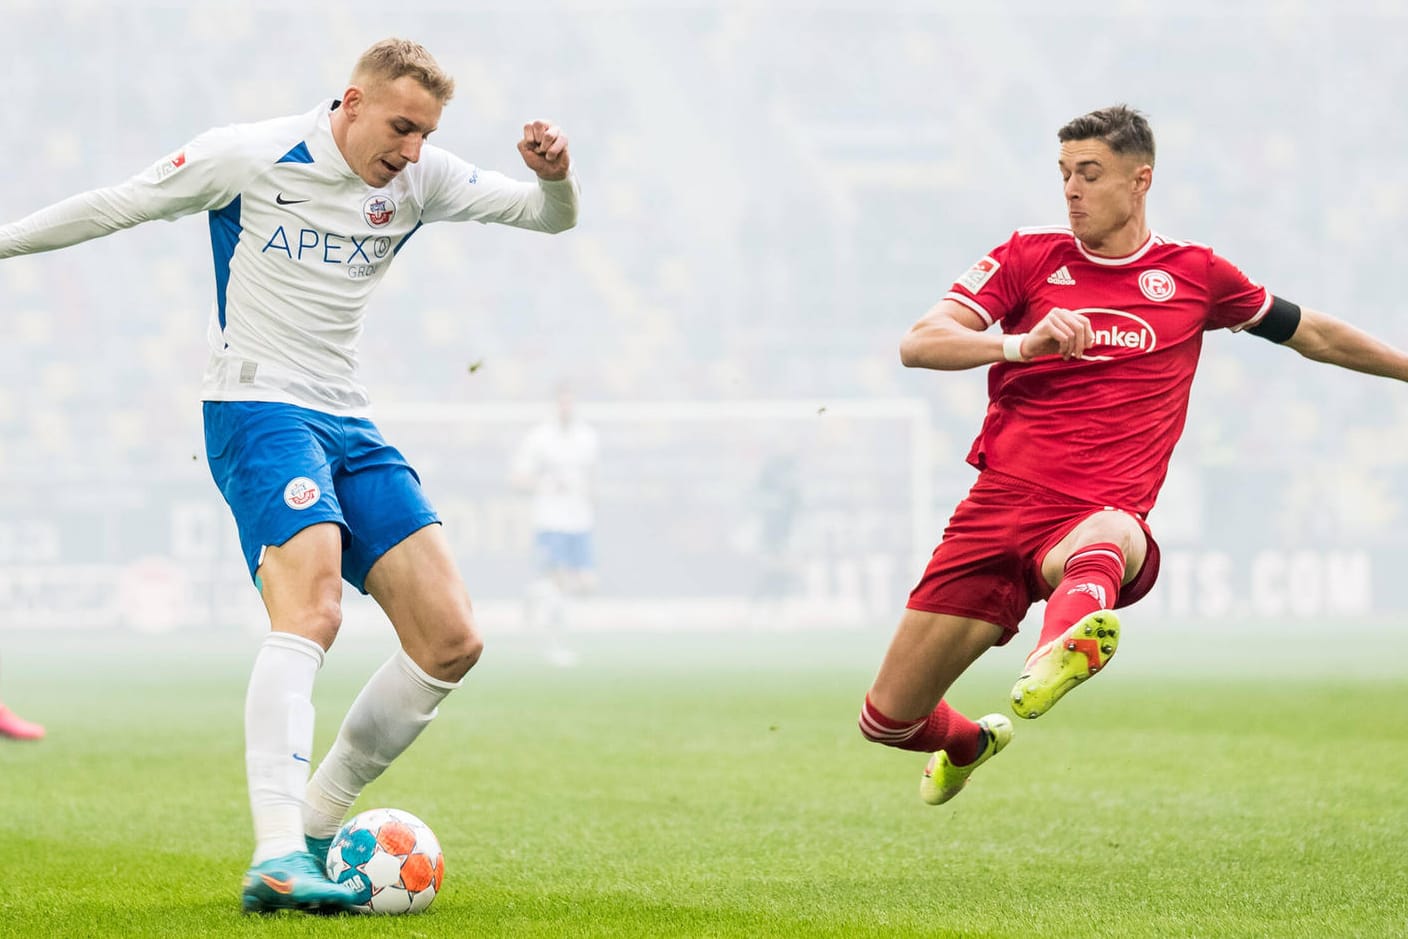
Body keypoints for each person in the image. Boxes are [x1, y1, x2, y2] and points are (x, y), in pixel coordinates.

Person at [0, 38, 578, 912]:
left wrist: (555, 175)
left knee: (452, 638)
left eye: (426, 134)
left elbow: (551, 219)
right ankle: (276, 853)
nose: (413, 151)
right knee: (312, 609)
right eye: (401, 128)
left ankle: (314, 825)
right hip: (255, 405)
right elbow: (117, 204)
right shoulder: (253, 154)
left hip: (347, 416)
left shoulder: (420, 178)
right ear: (350, 103)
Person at [858, 104, 1408, 807]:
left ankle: (1056, 652)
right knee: (889, 716)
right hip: (996, 509)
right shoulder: (1029, 255)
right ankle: (972, 743)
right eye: (1063, 174)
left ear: (1140, 180)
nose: (1071, 190)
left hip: (1093, 519)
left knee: (1114, 530)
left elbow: (1314, 334)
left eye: (1089, 173)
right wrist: (1020, 343)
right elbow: (919, 342)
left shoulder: (1196, 274)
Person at [511, 384, 599, 666]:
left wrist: (588, 494)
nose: (566, 408)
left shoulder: (587, 437)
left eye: (570, 402)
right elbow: (518, 478)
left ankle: (534, 594)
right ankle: (555, 645)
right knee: (559, 583)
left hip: (580, 520)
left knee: (586, 585)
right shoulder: (539, 438)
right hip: (551, 520)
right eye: (562, 403)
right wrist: (547, 484)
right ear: (554, 405)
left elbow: (594, 477)